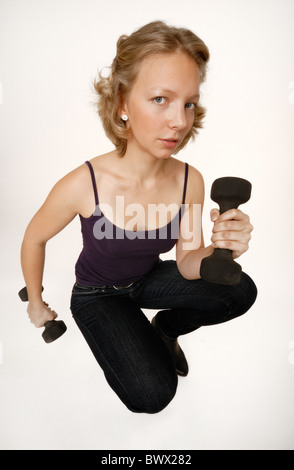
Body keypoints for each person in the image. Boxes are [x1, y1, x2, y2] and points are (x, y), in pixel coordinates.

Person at [21, 21, 257, 414]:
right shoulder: (85, 183)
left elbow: (185, 261)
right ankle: (128, 333)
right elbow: (33, 238)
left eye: (188, 103)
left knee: (239, 290)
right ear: (122, 104)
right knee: (153, 397)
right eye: (161, 99)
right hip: (98, 296)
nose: (180, 122)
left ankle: (165, 328)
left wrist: (220, 249)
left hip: (147, 280)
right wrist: (34, 300)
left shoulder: (189, 181)